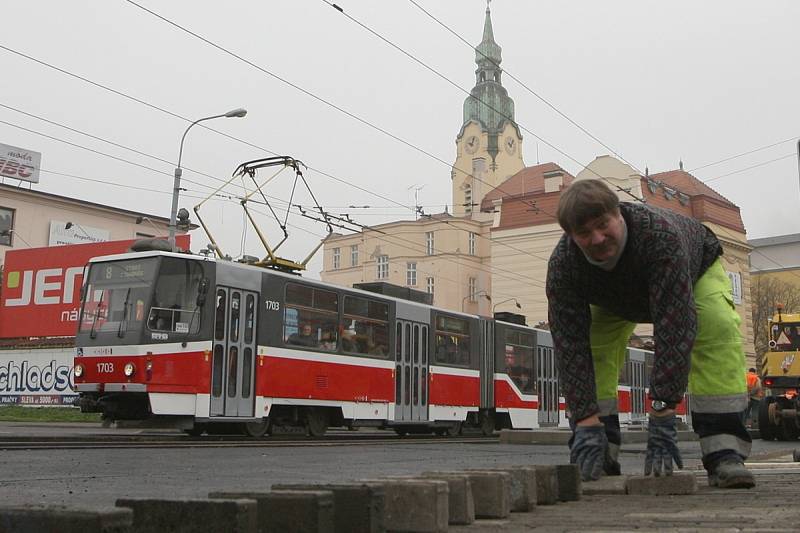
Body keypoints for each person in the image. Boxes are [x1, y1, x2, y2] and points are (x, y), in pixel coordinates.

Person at [546, 179, 754, 488]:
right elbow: (569, 346)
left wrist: (662, 410)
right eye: (584, 233)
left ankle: (725, 452)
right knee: (593, 348)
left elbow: (675, 328)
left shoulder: (658, 238)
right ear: (570, 236)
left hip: (693, 274)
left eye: (603, 225)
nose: (598, 238)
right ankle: (599, 451)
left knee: (716, 328)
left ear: (619, 214)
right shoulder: (564, 266)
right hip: (612, 297)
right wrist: (584, 418)